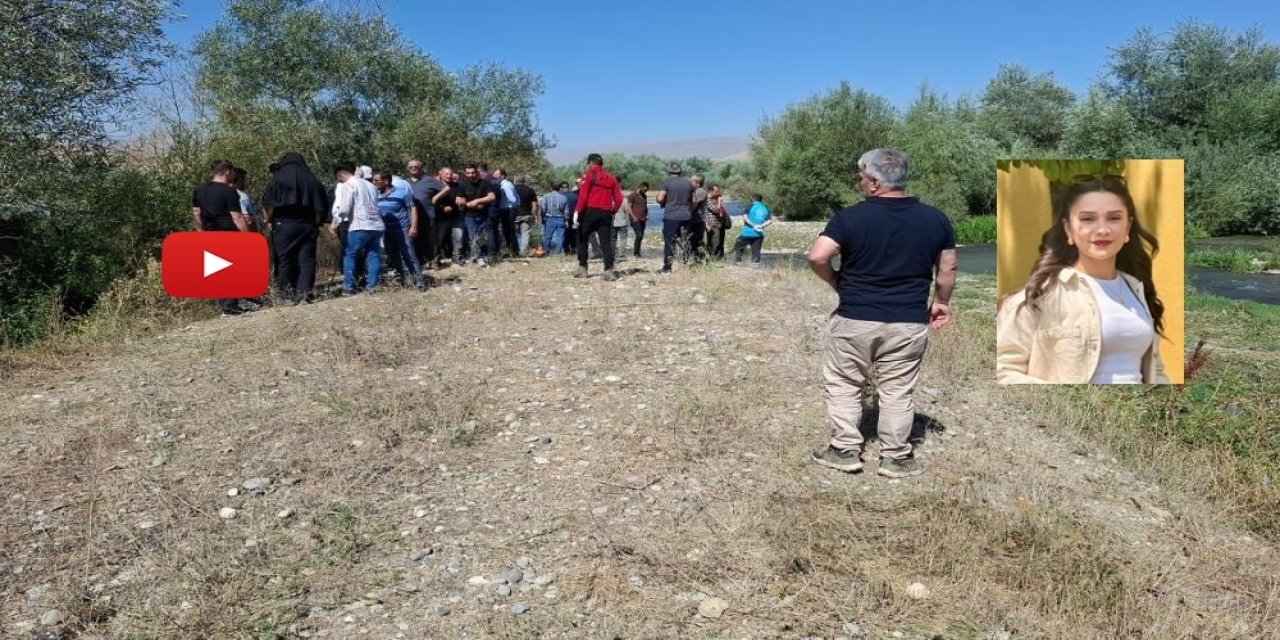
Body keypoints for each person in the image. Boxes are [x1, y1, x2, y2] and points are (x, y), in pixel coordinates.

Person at [806, 148, 957, 479]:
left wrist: (837, 282)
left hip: (855, 318)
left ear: (874, 182)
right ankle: (895, 457)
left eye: (861, 176)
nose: (859, 181)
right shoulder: (936, 219)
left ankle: (844, 449)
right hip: (908, 321)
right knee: (898, 389)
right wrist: (942, 301)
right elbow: (947, 268)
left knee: (844, 383)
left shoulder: (849, 217)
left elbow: (818, 256)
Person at [996, 177, 1169, 384]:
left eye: (1114, 218)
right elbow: (1004, 371)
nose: (1102, 229)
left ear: (1128, 227)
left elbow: (1156, 372)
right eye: (1088, 219)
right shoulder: (1039, 296)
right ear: (1069, 229)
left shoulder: (1138, 292)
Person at [262, 152, 330, 305]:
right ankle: (304, 294)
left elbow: (268, 204)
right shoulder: (313, 181)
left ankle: (286, 295)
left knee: (285, 259)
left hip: (283, 225)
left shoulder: (277, 179)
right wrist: (316, 224)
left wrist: (268, 220)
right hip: (307, 225)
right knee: (306, 259)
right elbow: (319, 208)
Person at [192, 161, 253, 317]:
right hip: (228, 232)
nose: (233, 176)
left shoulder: (199, 190)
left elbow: (196, 214)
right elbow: (237, 216)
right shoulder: (229, 191)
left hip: (210, 233)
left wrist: (201, 232)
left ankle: (225, 306)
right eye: (232, 172)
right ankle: (230, 307)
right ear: (227, 172)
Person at [331, 163, 383, 294]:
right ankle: (372, 286)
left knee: (350, 255)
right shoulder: (371, 185)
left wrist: (340, 217)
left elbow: (344, 209)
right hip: (376, 225)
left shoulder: (349, 185)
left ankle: (348, 287)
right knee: (373, 255)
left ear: (341, 174)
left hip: (359, 225)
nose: (339, 180)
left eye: (338, 178)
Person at [573, 153, 624, 280]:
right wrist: (613, 210)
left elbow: (583, 196)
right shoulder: (611, 178)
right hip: (606, 213)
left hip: (590, 211)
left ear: (591, 163)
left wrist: (577, 211)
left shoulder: (589, 176)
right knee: (606, 242)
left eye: (588, 164)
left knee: (582, 238)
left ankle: (583, 268)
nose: (588, 166)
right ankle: (609, 270)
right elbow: (619, 199)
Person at [373, 169, 426, 290]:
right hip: (386, 231)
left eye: (376, 180)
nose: (374, 182)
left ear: (386, 181)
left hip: (402, 230)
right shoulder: (375, 194)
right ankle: (402, 279)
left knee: (410, 255)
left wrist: (413, 226)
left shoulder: (402, 193)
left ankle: (419, 282)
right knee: (394, 256)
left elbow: (413, 209)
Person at [454, 164, 497, 266]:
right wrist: (467, 203)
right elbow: (459, 200)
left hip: (484, 215)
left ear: (477, 172)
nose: (471, 175)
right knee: (473, 236)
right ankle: (478, 257)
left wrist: (477, 201)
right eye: (468, 173)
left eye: (473, 172)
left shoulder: (485, 183)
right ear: (465, 173)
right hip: (469, 216)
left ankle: (485, 255)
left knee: (484, 236)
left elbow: (492, 197)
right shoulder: (462, 184)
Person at [656, 162, 694, 272]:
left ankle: (667, 267)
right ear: (681, 172)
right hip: (686, 215)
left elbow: (660, 199)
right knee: (685, 239)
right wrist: (689, 209)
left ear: (669, 172)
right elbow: (694, 200)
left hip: (671, 216)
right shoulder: (688, 184)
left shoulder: (667, 183)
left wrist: (663, 199)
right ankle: (685, 264)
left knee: (669, 241)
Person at [428, 166, 461, 268]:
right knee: (439, 240)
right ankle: (435, 261)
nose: (449, 176)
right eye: (446, 174)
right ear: (440, 174)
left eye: (450, 174)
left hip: (455, 215)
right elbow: (431, 200)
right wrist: (442, 207)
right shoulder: (436, 186)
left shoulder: (456, 185)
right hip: (441, 217)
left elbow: (460, 196)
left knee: (458, 238)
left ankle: (457, 259)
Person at [732, 194, 773, 263]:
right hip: (759, 234)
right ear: (761, 200)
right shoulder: (765, 207)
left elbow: (745, 218)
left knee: (738, 248)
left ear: (753, 199)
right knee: (756, 252)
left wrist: (754, 225)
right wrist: (761, 226)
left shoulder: (750, 206)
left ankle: (738, 263)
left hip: (747, 233)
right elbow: (769, 221)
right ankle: (755, 267)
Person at [494, 169, 522, 258]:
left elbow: (512, 198)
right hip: (509, 209)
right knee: (510, 231)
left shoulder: (505, 185)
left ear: (502, 176)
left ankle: (513, 251)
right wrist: (517, 204)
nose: (494, 175)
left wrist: (514, 204)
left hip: (508, 210)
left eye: (496, 174)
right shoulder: (509, 184)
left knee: (509, 231)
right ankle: (514, 251)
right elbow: (517, 197)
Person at [539, 181, 571, 256]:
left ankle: (546, 251)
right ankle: (558, 252)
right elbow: (566, 211)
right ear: (559, 188)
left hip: (550, 218)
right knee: (560, 236)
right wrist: (566, 220)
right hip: (560, 218)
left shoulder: (546, 196)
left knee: (548, 236)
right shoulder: (563, 197)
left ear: (551, 187)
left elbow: (543, 208)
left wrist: (544, 217)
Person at [513, 175, 539, 256]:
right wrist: (534, 215)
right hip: (526, 216)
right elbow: (534, 205)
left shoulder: (512, 190)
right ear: (524, 181)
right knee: (525, 233)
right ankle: (523, 251)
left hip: (514, 215)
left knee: (516, 234)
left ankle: (516, 250)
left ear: (515, 181)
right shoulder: (530, 190)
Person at [704, 184, 728, 260]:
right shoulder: (707, 199)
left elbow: (722, 210)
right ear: (710, 191)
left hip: (720, 223)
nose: (718, 193)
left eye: (718, 191)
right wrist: (719, 202)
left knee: (720, 242)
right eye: (716, 191)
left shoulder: (716, 198)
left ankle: (718, 257)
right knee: (715, 242)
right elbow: (716, 210)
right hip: (712, 224)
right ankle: (712, 258)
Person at [625, 182, 649, 258]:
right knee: (639, 235)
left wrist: (647, 214)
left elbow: (645, 206)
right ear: (640, 187)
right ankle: (636, 253)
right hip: (635, 219)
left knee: (641, 236)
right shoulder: (632, 196)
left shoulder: (644, 196)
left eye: (646, 190)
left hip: (643, 218)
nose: (645, 191)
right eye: (644, 190)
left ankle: (638, 252)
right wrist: (633, 217)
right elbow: (629, 207)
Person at [689, 174, 708, 261]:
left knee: (697, 241)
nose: (689, 182)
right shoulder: (695, 190)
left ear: (698, 183)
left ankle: (701, 260)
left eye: (692, 180)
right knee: (691, 241)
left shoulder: (700, 191)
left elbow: (693, 203)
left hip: (698, 221)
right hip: (693, 220)